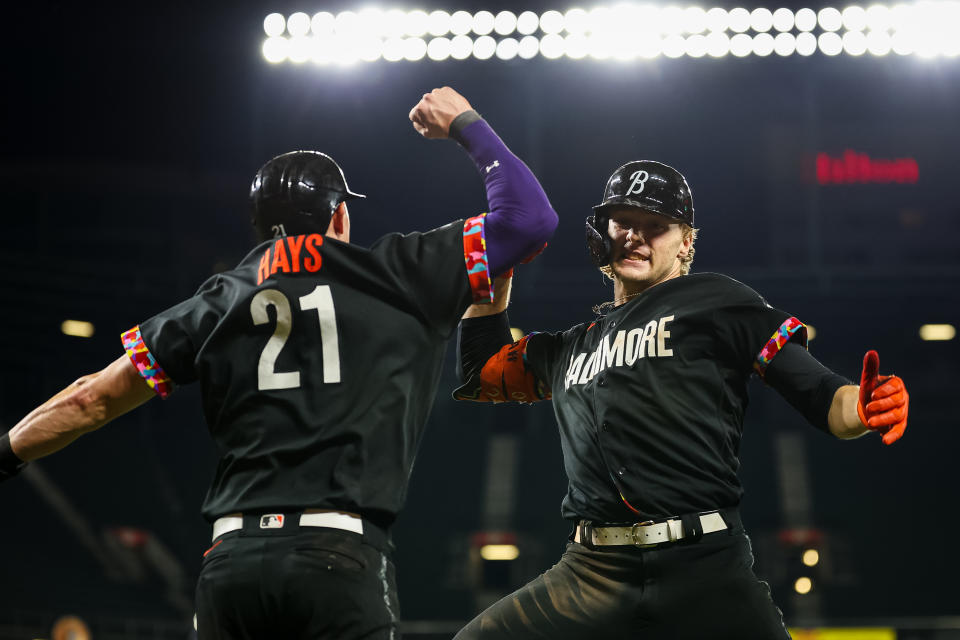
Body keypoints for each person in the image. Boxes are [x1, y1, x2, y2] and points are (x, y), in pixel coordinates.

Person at [0, 87, 558, 639]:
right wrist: (466, 123)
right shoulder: (400, 272)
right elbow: (530, 219)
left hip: (231, 565)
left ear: (261, 226)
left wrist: (5, 453)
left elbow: (88, 400)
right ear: (340, 216)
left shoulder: (214, 302)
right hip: (337, 554)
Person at [453, 160, 909, 639]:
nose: (635, 236)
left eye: (656, 225)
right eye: (623, 222)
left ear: (686, 241)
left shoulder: (717, 300)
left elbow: (818, 392)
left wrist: (861, 405)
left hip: (704, 567)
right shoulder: (570, 346)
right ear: (601, 234)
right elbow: (481, 372)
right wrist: (492, 274)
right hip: (592, 572)